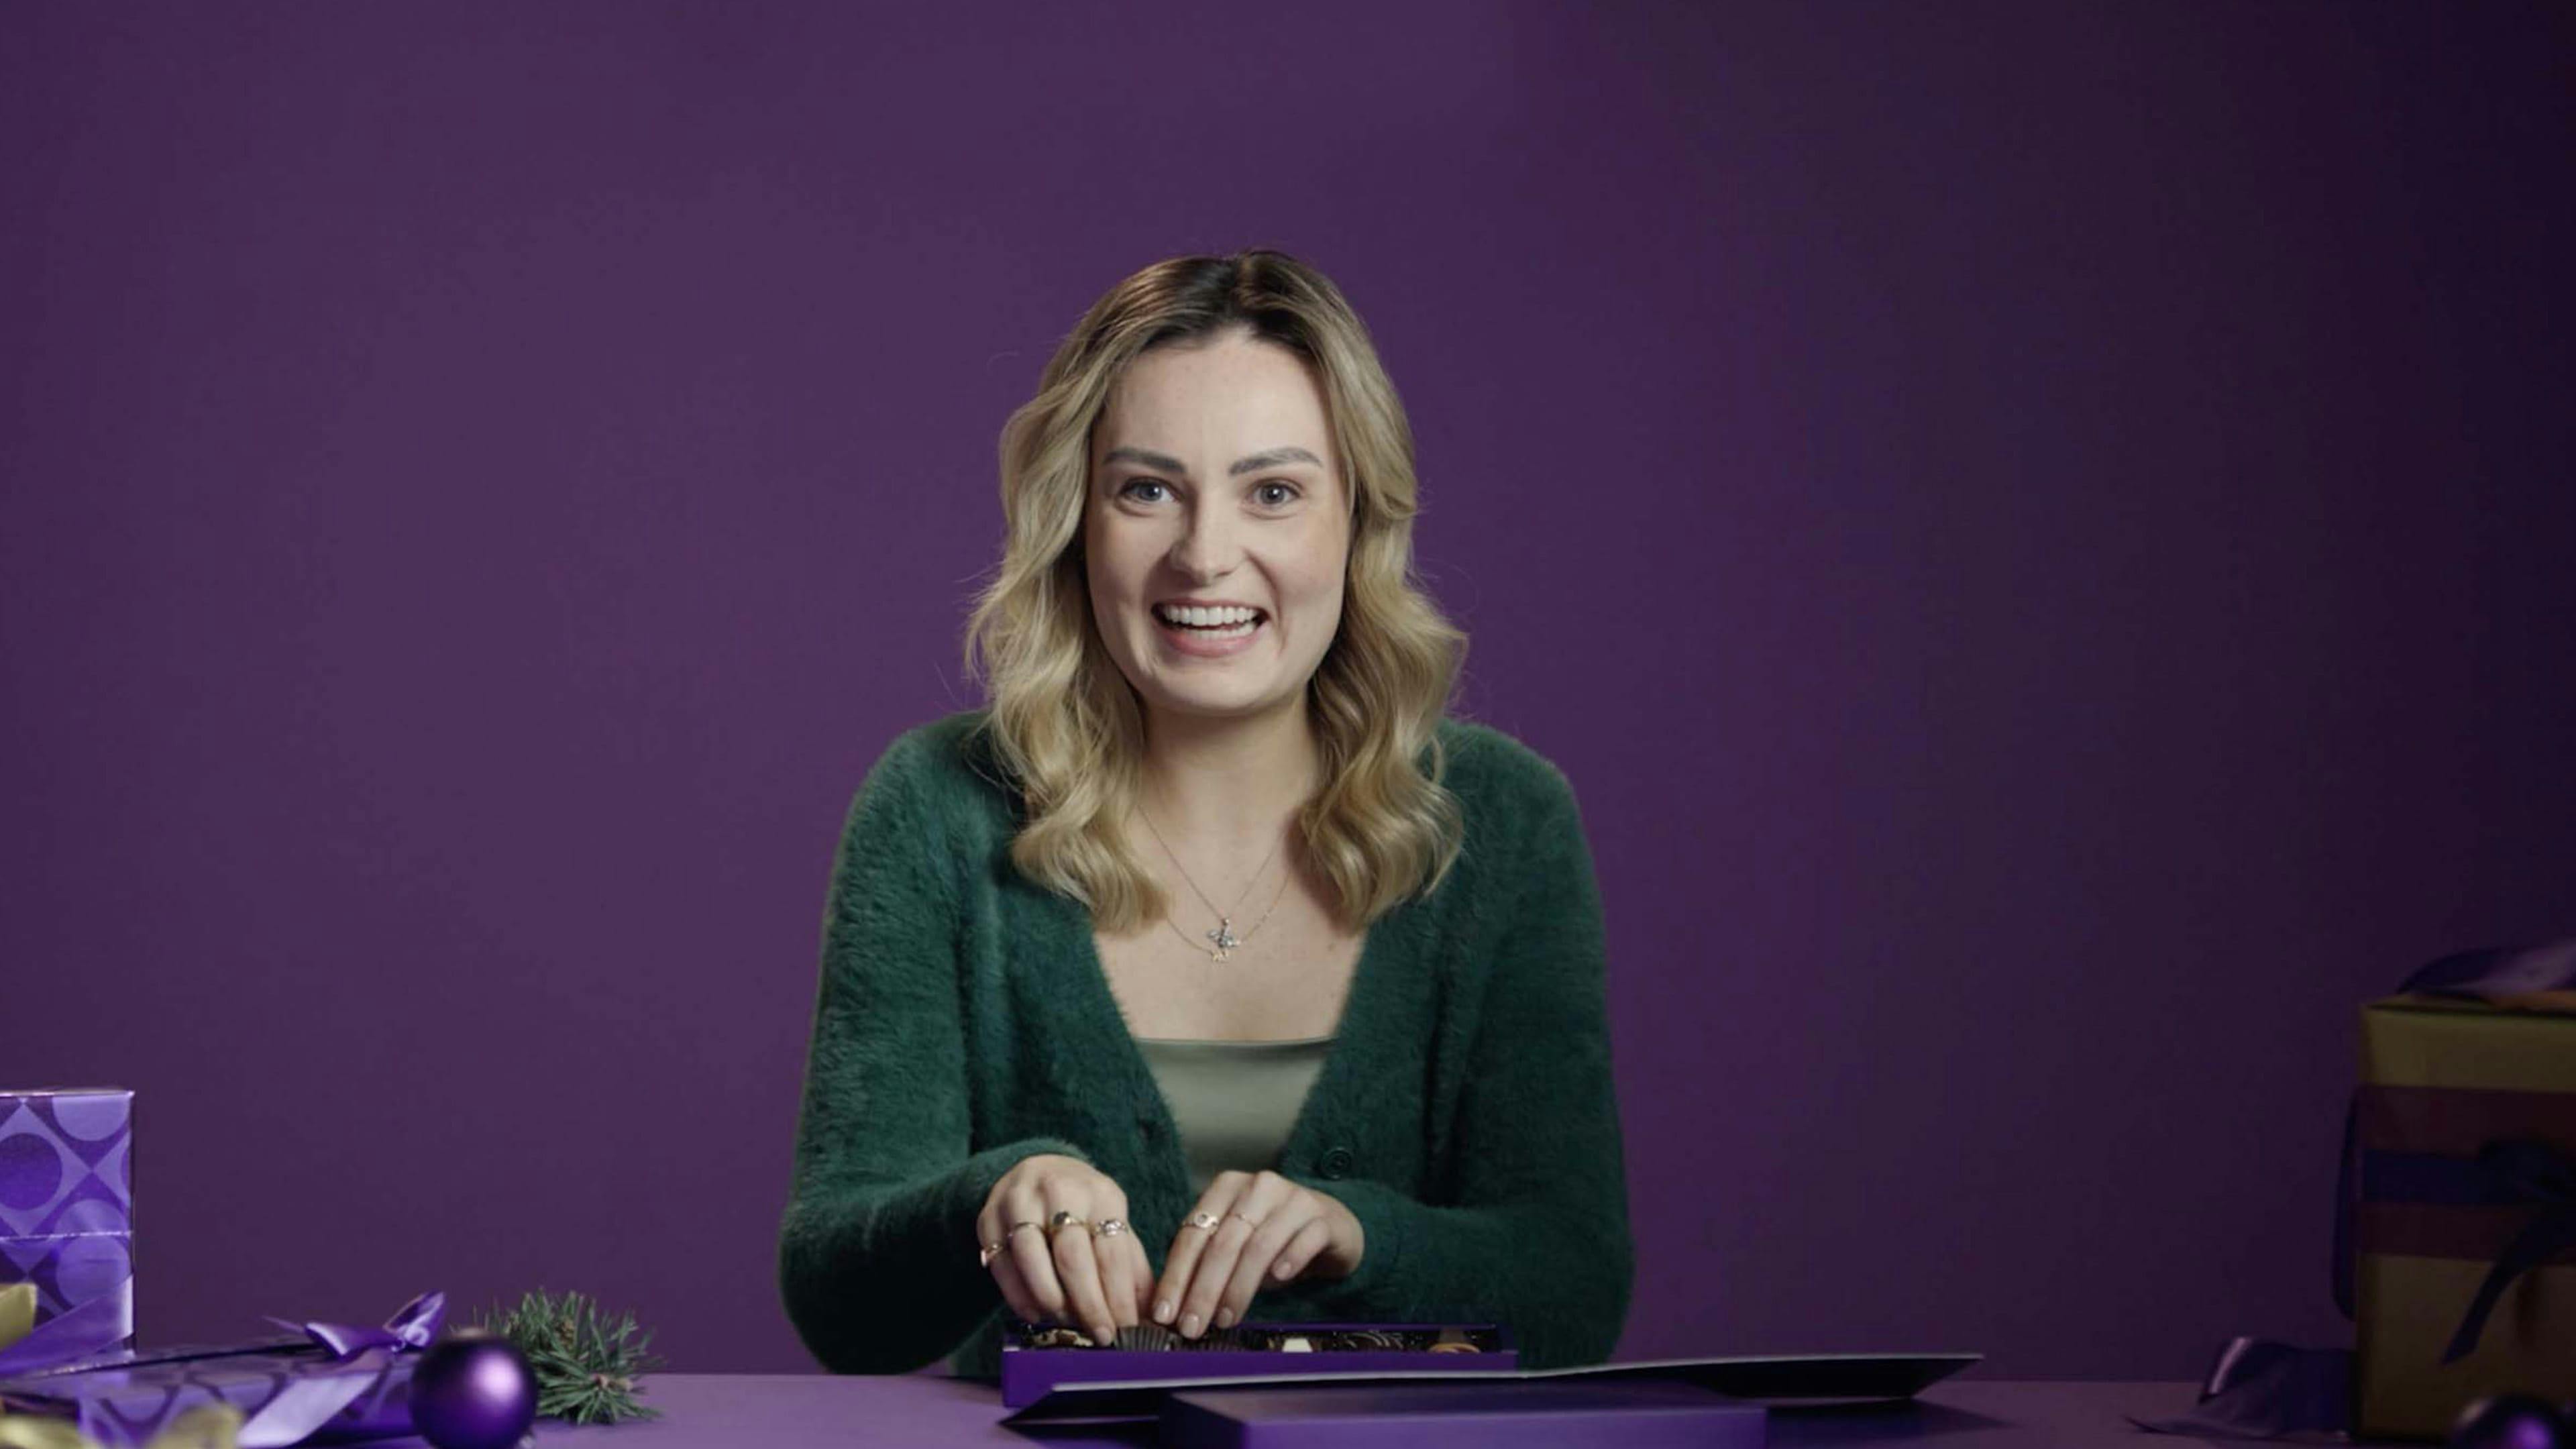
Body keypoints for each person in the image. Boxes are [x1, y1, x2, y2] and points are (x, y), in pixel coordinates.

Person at [777, 249, 1632, 1381]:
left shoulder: (1504, 821)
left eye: (1273, 491)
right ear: (1077, 521)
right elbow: (839, 1305)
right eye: (1147, 489)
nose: (1204, 555)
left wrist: (1361, 1238)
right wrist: (993, 1199)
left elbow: (1575, 1289)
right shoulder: (937, 810)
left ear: (1358, 520)